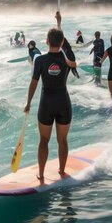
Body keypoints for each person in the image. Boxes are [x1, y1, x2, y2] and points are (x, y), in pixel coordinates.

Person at [24, 11, 77, 183]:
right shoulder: (67, 59)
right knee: (62, 139)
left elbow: (33, 83)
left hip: (46, 104)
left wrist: (28, 103)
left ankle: (41, 174)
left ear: (46, 41)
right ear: (61, 42)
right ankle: (61, 171)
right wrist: (60, 24)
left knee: (43, 140)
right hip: (63, 103)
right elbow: (66, 48)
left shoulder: (39, 61)